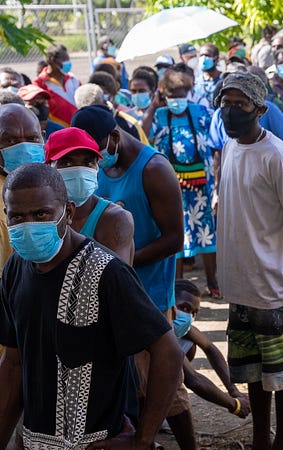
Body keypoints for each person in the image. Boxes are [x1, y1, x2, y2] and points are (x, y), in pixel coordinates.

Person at [0, 163, 183, 449]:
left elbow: (168, 350)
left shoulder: (106, 272)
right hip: (33, 441)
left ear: (68, 213)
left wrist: (143, 439)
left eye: (41, 214)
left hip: (97, 441)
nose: (29, 225)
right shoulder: (16, 268)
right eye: (18, 217)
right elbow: (13, 363)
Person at [70, 105, 192, 446]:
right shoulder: (96, 169)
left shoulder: (153, 168)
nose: (92, 162)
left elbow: (174, 239)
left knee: (163, 384)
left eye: (95, 153)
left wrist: (120, 265)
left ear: (114, 137)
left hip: (148, 291)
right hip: (106, 292)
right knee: (130, 385)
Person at [216, 71, 283, 450]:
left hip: (272, 284)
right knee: (252, 371)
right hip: (241, 283)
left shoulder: (276, 155)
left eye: (240, 104)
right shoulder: (233, 145)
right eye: (226, 103)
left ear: (260, 109)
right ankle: (259, 439)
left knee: (282, 373)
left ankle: (281, 442)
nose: (231, 111)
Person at [149, 69, 220, 298]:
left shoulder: (200, 112)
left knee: (206, 233)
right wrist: (152, 106)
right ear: (164, 95)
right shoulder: (158, 116)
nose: (177, 100)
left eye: (181, 94)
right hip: (169, 188)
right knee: (175, 233)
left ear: (188, 93)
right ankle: (177, 286)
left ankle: (212, 281)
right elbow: (143, 133)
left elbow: (217, 143)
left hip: (201, 186)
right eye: (172, 95)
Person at [45, 127, 134, 262]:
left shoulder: (114, 219)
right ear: (48, 167)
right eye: (67, 162)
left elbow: (114, 280)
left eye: (88, 163)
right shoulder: (39, 216)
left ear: (97, 167)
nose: (80, 172)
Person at [173, 279, 252, 419]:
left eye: (193, 313)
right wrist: (235, 405)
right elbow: (194, 380)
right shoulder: (161, 331)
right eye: (184, 308)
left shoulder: (184, 329)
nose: (188, 316)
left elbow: (210, 349)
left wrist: (234, 390)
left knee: (189, 344)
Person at [0, 104, 48, 268]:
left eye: (32, 139)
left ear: (43, 137)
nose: (24, 148)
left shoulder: (54, 184)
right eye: (11, 140)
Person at [86, 72, 149, 142]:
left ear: (113, 94)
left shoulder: (127, 122)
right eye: (94, 93)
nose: (97, 97)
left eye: (103, 93)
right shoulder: (83, 119)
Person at [34, 43, 80, 126]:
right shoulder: (39, 84)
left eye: (68, 59)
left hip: (78, 128)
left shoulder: (73, 79)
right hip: (56, 131)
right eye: (64, 59)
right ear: (52, 61)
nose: (68, 62)